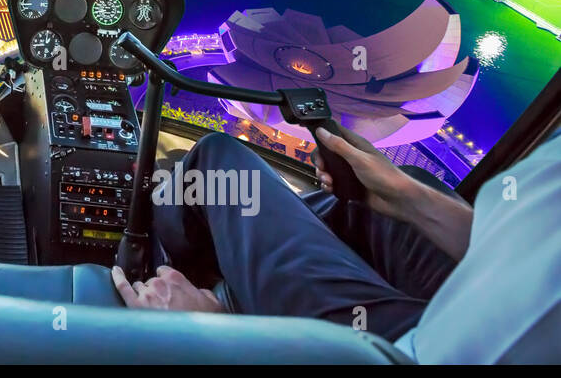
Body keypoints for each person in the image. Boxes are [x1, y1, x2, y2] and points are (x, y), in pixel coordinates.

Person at [110, 125, 561, 363]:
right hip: (485, 294)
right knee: (378, 198)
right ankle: (250, 270)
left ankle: (171, 257)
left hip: (409, 356)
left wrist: (217, 337)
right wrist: (406, 197)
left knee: (221, 165)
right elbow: (529, 245)